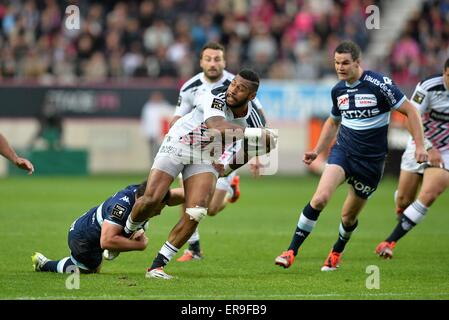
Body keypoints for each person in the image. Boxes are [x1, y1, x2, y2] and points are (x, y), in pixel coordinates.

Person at [274, 40, 428, 271]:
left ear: (358, 62)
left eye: (345, 63)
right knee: (320, 198)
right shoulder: (338, 90)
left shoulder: (380, 84)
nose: (340, 68)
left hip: (371, 163)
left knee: (348, 218)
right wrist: (317, 150)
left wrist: (419, 145)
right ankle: (290, 251)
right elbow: (333, 121)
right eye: (337, 63)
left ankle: (336, 252)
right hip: (343, 152)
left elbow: (410, 111)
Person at [123, 69, 276, 279]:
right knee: (152, 198)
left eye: (240, 89)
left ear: (251, 96)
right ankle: (128, 231)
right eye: (233, 84)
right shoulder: (216, 94)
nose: (233, 90)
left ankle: (157, 267)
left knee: (198, 211)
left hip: (206, 156)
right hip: (179, 142)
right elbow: (217, 126)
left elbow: (254, 148)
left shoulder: (253, 118)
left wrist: (228, 169)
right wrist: (255, 134)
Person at [170, 41, 267, 262]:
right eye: (209, 59)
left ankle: (231, 189)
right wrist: (173, 139)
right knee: (187, 193)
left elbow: (258, 119)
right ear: (201, 61)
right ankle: (193, 248)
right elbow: (178, 116)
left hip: (227, 150)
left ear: (224, 61)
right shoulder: (190, 87)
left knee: (212, 208)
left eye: (218, 59)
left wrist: (257, 155)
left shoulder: (239, 83)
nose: (213, 63)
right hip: (196, 147)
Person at [375, 58, 449, 259]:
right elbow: (410, 118)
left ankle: (389, 242)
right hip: (420, 142)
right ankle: (404, 209)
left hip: (446, 152)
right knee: (403, 200)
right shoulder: (428, 87)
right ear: (444, 73)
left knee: (430, 193)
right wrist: (426, 146)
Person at [31, 181, 184, 274]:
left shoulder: (145, 193)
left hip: (91, 227)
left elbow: (175, 195)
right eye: (158, 208)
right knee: (86, 270)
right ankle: (44, 264)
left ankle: (125, 237)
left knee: (138, 225)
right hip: (83, 238)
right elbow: (106, 241)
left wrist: (201, 192)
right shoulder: (121, 207)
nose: (159, 212)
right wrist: (140, 245)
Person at [140, 91, 173, 166]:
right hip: (151, 134)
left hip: (163, 135)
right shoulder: (148, 106)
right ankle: (153, 167)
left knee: (162, 152)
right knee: (153, 152)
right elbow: (145, 120)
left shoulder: (165, 106)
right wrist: (144, 132)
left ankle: (162, 167)